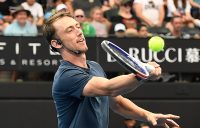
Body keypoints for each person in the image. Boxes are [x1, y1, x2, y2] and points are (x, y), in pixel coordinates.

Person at [43, 11, 180, 128]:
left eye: (78, 26)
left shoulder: (95, 67)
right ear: (56, 43)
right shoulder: (66, 76)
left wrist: (147, 115)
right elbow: (109, 88)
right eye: (70, 30)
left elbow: (118, 103)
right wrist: (145, 71)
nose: (79, 32)